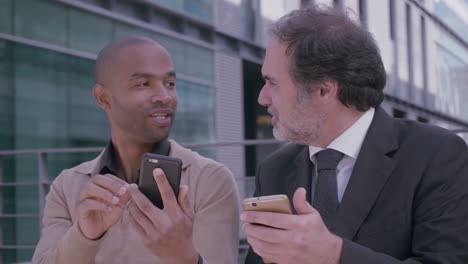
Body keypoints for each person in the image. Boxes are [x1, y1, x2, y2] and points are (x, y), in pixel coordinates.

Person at [242, 5, 468, 264]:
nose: (262, 97)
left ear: (324, 90)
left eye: (272, 83)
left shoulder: (437, 155)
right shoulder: (274, 170)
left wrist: (334, 255)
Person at [32, 36, 240, 264]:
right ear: (103, 98)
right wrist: (85, 235)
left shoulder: (209, 179)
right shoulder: (68, 186)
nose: (164, 96)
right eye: (143, 84)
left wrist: (182, 256)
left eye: (170, 83)